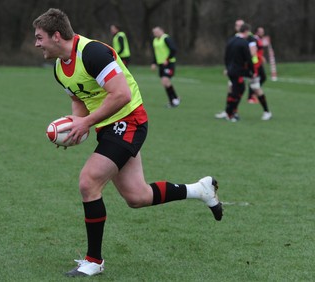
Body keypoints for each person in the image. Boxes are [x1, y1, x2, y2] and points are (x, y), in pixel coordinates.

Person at [33, 8, 223, 277]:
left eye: (39, 37)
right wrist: (75, 127)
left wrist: (85, 123)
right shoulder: (59, 70)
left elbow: (121, 94)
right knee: (137, 196)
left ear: (56, 36)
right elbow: (79, 99)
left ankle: (94, 260)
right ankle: (200, 190)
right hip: (108, 126)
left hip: (130, 120)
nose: (36, 43)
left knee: (89, 182)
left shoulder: (93, 53)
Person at [217, 23, 254, 121]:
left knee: (237, 90)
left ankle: (230, 112)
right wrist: (252, 71)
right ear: (245, 31)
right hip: (238, 71)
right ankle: (230, 113)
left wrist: (227, 68)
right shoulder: (243, 43)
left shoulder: (231, 41)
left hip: (230, 70)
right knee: (237, 91)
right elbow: (248, 59)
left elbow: (226, 57)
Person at [246, 26, 272, 120]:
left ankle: (252, 97)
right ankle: (251, 97)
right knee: (254, 84)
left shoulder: (257, 39)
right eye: (261, 31)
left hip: (257, 63)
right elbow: (254, 52)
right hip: (254, 64)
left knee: (259, 82)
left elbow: (258, 52)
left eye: (263, 31)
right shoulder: (253, 39)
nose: (262, 33)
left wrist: (261, 58)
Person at [150, 26, 180, 108]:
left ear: (161, 31)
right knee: (164, 83)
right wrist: (154, 63)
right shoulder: (155, 41)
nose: (155, 33)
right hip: (161, 64)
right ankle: (174, 99)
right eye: (154, 32)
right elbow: (156, 53)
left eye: (157, 31)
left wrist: (167, 59)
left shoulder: (166, 38)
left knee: (165, 81)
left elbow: (173, 50)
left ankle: (173, 100)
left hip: (169, 64)